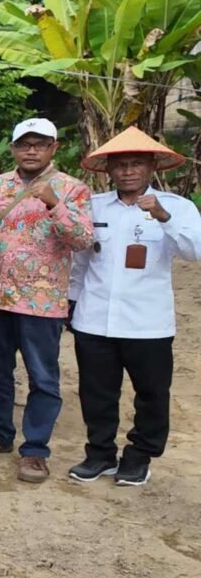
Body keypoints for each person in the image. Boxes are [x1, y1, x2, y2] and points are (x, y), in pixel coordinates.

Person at [68, 127, 201, 487]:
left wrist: (162, 216)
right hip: (95, 319)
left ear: (152, 167)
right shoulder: (93, 207)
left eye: (136, 164)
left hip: (148, 323)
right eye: (121, 165)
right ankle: (99, 454)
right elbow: (81, 261)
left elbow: (193, 252)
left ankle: (139, 456)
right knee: (97, 392)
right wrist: (72, 303)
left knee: (152, 395)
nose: (128, 171)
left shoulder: (178, 207)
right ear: (109, 171)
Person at [0, 117, 94, 483]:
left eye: (40, 143)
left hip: (42, 303)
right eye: (24, 143)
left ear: (53, 148)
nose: (31, 150)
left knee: (43, 377)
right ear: (13, 148)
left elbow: (83, 240)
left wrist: (54, 203)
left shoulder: (73, 189)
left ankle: (36, 450)